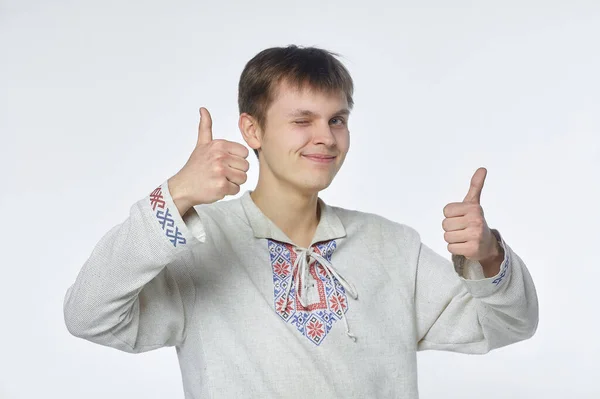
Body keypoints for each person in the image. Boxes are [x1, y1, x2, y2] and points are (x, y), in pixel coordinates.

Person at [63, 45, 539, 398]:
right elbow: (89, 315)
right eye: (302, 120)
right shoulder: (200, 242)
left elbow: (508, 325)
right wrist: (177, 195)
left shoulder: (392, 247)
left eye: (337, 120)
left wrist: (489, 256)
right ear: (253, 130)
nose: (325, 138)